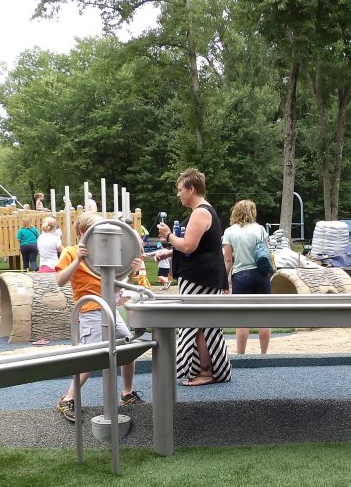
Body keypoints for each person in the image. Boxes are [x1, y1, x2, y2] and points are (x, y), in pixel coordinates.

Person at [54, 212, 143, 422]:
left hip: (109, 309)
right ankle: (68, 399)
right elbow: (60, 280)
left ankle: (127, 393)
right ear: (85, 232)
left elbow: (116, 281)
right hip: (90, 310)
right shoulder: (70, 251)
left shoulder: (104, 253)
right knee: (92, 358)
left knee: (128, 348)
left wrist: (131, 270)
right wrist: (78, 259)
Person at [156, 168, 231, 386]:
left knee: (197, 325)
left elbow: (189, 246)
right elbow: (204, 248)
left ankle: (206, 373)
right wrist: (170, 251)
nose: (178, 194)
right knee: (203, 325)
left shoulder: (200, 213)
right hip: (204, 276)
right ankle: (208, 370)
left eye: (180, 189)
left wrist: (168, 236)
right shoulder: (205, 212)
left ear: (191, 189)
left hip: (199, 279)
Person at [222, 199, 272, 354]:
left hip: (241, 275)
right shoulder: (260, 229)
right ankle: (264, 354)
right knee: (264, 317)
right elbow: (266, 252)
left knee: (242, 319)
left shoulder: (229, 232)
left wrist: (224, 280)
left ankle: (241, 355)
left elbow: (228, 259)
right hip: (260, 274)